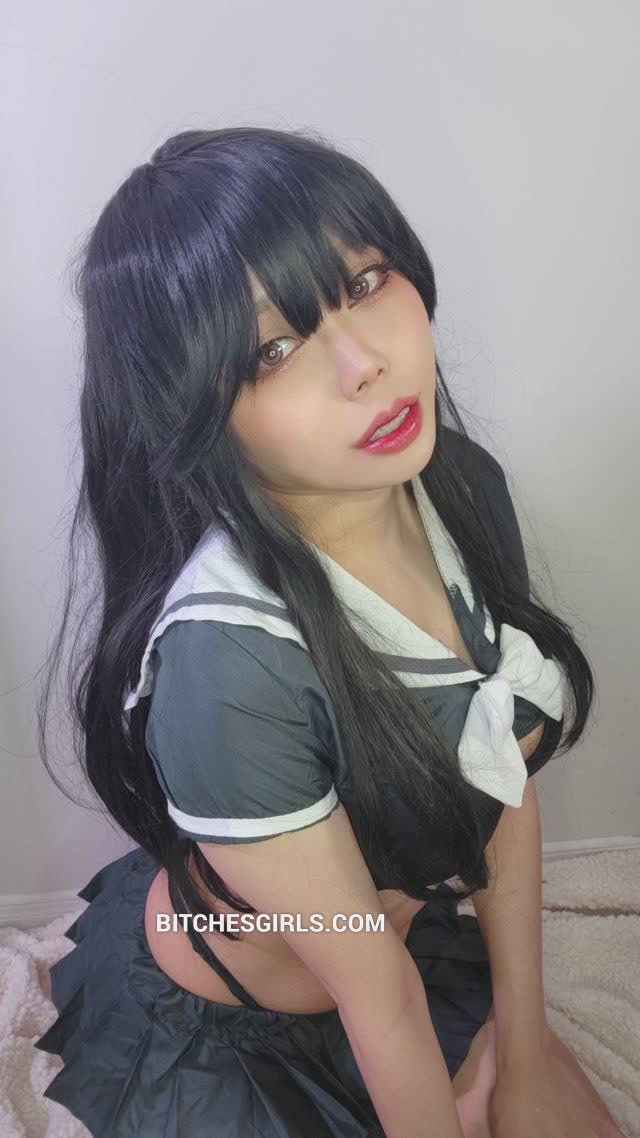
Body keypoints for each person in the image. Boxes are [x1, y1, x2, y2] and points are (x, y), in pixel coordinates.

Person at [34, 126, 621, 1138]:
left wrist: (525, 1051)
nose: (364, 365)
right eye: (272, 350)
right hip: (249, 1013)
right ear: (192, 406)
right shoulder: (229, 667)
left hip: (388, 943)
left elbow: (501, 777)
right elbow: (375, 988)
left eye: (363, 282)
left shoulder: (456, 486)